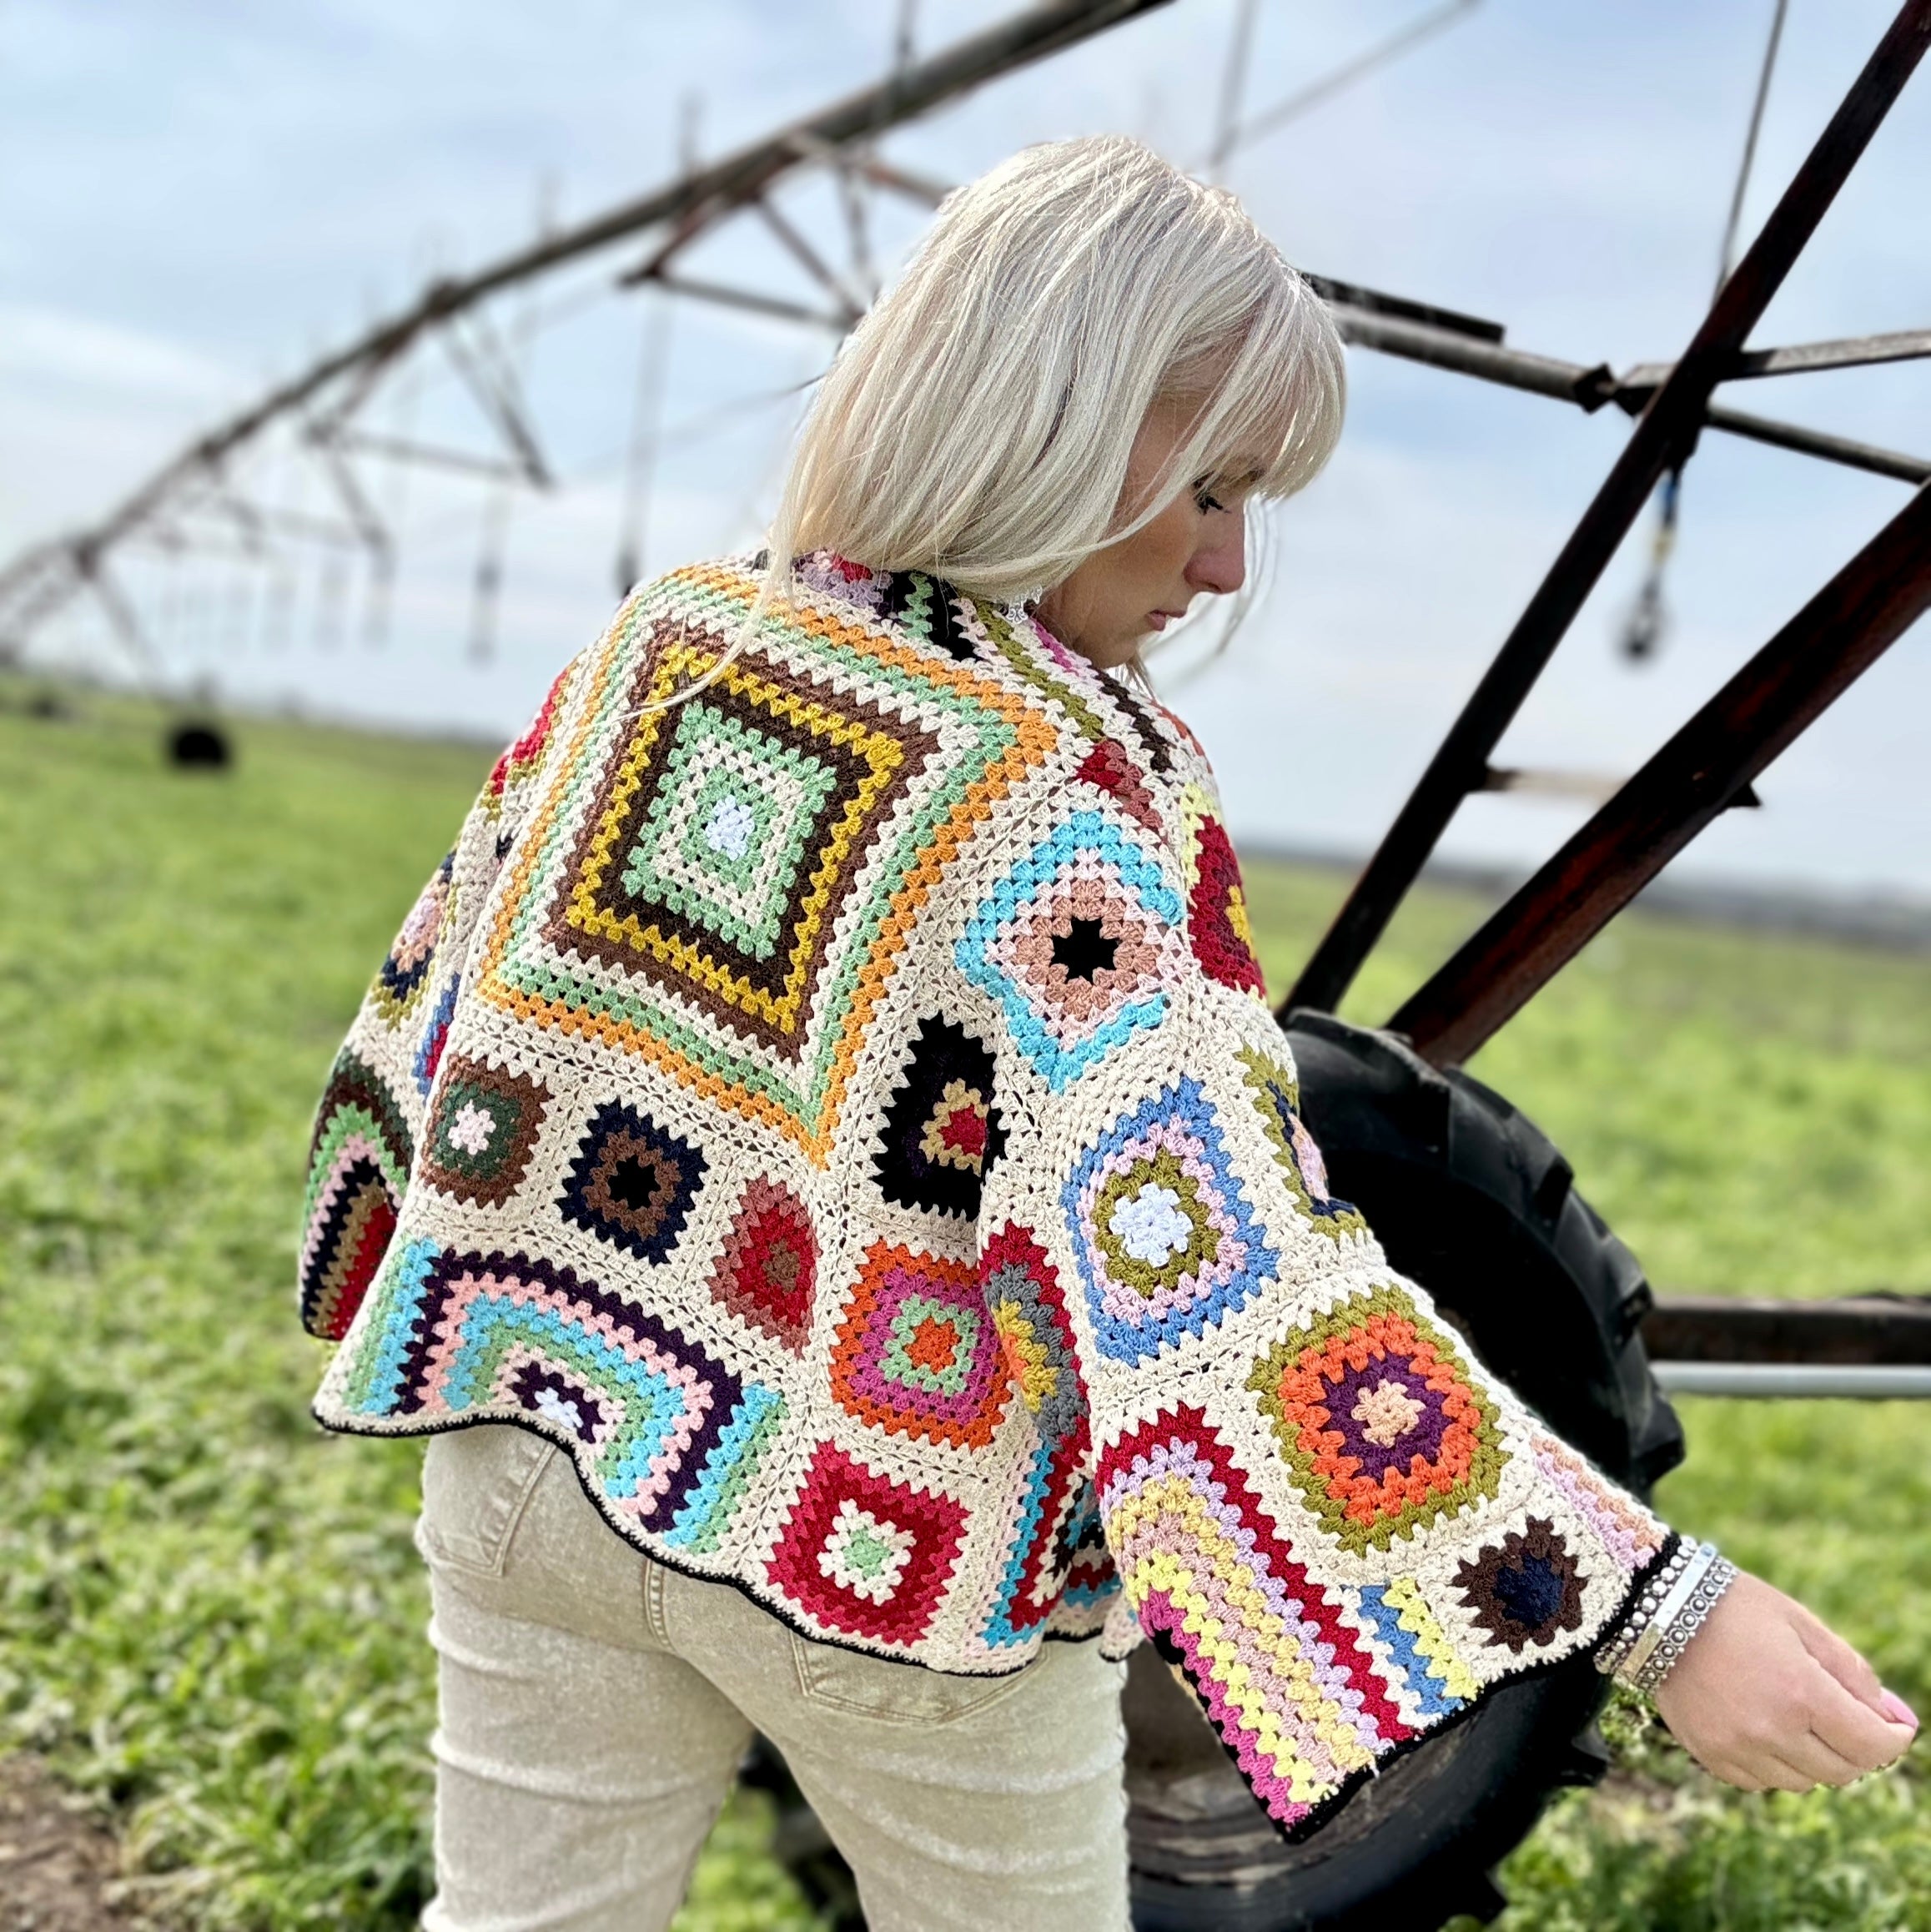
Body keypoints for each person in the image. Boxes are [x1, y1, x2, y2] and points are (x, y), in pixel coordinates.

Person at [296, 138, 1916, 1932]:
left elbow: (430, 1036)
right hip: (894, 1566)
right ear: (1055, 423)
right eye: (1216, 488)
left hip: (527, 1448)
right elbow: (1224, 1276)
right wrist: (1660, 1608)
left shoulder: (660, 641)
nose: (1226, 568)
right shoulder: (1064, 785)